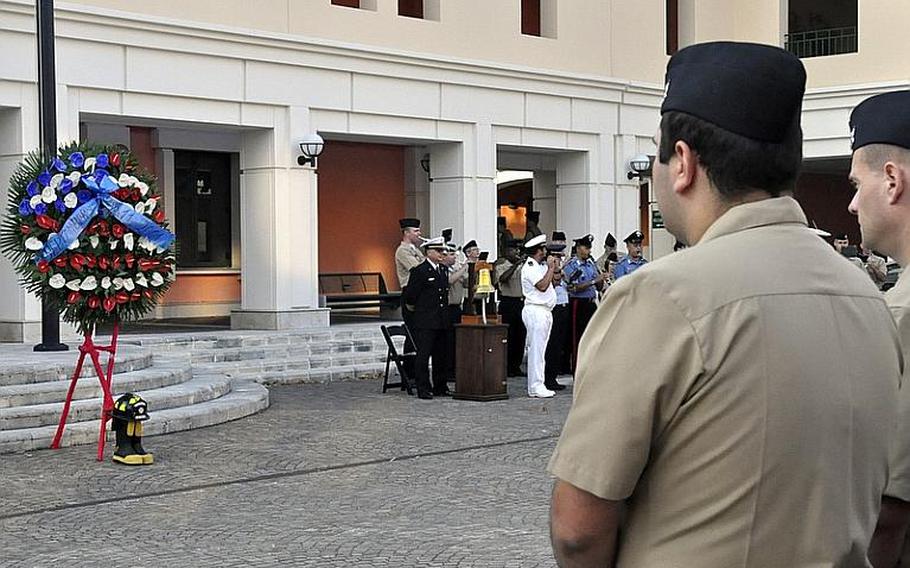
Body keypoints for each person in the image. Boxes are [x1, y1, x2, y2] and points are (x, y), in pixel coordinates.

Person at [548, 42, 901, 568]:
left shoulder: (661, 295)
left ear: (684, 162)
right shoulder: (869, 298)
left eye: (657, 156)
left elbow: (578, 528)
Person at [846, 90, 910, 568]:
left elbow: (889, 509)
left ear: (891, 180)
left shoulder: (902, 314)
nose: (851, 204)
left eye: (855, 184)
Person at [402, 237, 452, 400]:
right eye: (439, 251)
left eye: (443, 251)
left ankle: (440, 386)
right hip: (426, 320)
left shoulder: (442, 270)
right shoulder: (420, 271)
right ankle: (423, 388)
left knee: (441, 355)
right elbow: (410, 297)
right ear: (429, 252)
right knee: (423, 355)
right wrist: (420, 312)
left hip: (441, 319)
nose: (442, 254)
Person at [520, 234, 559, 398]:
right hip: (536, 310)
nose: (546, 252)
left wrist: (555, 269)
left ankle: (538, 383)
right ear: (538, 251)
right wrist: (550, 268)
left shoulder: (539, 266)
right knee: (536, 349)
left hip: (545, 310)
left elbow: (553, 282)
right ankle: (535, 385)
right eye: (543, 249)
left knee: (541, 349)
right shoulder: (529, 267)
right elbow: (542, 286)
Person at [563, 234, 606, 371]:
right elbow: (574, 287)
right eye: (586, 248)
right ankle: (576, 368)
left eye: (590, 248)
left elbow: (598, 286)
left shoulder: (591, 264)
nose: (589, 251)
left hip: (590, 302)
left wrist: (601, 279)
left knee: (592, 335)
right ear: (578, 248)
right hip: (578, 304)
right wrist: (594, 281)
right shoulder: (571, 265)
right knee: (577, 338)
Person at [394, 217, 424, 388]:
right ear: (406, 233)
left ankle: (415, 371)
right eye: (416, 231)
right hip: (410, 292)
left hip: (420, 293)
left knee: (419, 334)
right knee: (412, 333)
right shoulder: (403, 250)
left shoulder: (416, 249)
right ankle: (409, 373)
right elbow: (418, 269)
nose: (419, 234)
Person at [494, 239, 527, 377]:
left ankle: (516, 365)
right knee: (509, 335)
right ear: (506, 251)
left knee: (520, 336)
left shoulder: (524, 265)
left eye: (518, 250)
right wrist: (516, 265)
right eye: (513, 250)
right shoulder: (501, 265)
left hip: (521, 302)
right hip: (508, 303)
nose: (517, 252)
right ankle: (507, 366)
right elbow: (503, 279)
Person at [544, 231, 570, 392]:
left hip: (563, 306)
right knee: (551, 345)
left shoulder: (564, 266)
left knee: (559, 344)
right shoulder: (548, 268)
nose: (559, 259)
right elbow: (553, 283)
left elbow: (568, 283)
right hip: (553, 309)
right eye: (556, 256)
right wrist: (556, 269)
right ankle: (548, 378)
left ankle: (553, 376)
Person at [443, 241, 468, 383]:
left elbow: (465, 282)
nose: (454, 258)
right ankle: (448, 371)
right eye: (452, 254)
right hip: (447, 307)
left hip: (457, 307)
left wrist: (467, 269)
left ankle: (455, 369)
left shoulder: (455, 268)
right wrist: (464, 266)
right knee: (448, 342)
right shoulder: (444, 269)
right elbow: (450, 281)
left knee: (456, 341)